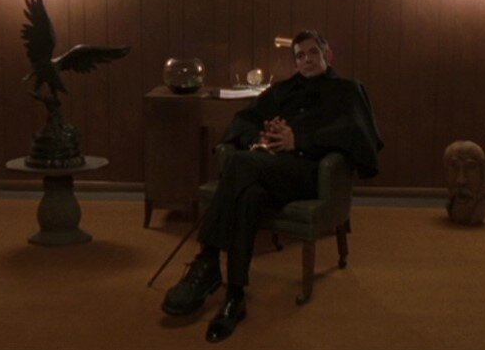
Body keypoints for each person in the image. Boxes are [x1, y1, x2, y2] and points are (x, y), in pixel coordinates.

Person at [161, 30, 383, 343]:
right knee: (249, 195)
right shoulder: (282, 90)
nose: (307, 60)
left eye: (313, 53)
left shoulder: (347, 90)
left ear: (328, 55)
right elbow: (244, 119)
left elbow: (356, 137)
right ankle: (234, 297)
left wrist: (299, 140)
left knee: (240, 164)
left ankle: (208, 260)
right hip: (268, 169)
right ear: (295, 62)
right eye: (300, 56)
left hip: (311, 174)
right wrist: (261, 138)